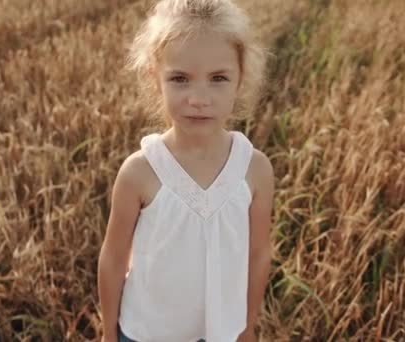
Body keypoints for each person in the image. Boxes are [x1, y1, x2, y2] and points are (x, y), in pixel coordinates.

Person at [97, 0, 274, 341]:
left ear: (240, 79)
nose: (199, 97)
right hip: (145, 333)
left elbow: (258, 254)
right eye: (180, 79)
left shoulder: (254, 169)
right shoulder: (139, 172)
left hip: (221, 331)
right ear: (155, 79)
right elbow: (114, 257)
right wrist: (108, 332)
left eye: (218, 78)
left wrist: (247, 326)